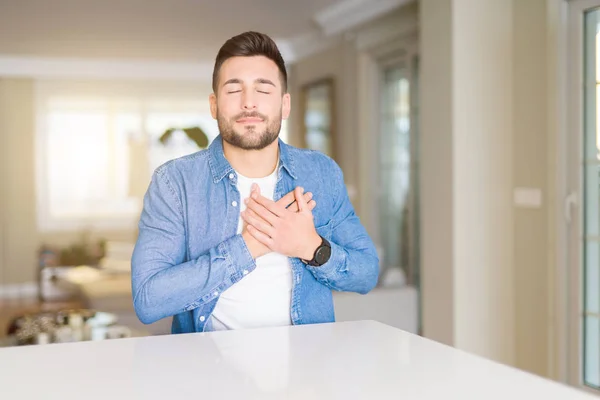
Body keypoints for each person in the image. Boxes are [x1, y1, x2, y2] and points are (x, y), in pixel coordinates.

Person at [131, 31, 379, 333]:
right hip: (208, 373)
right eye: (234, 90)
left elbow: (366, 273)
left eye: (263, 90)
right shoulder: (174, 183)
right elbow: (148, 300)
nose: (249, 103)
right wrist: (248, 246)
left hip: (306, 371)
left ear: (285, 105)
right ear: (214, 105)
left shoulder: (321, 172)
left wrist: (311, 247)